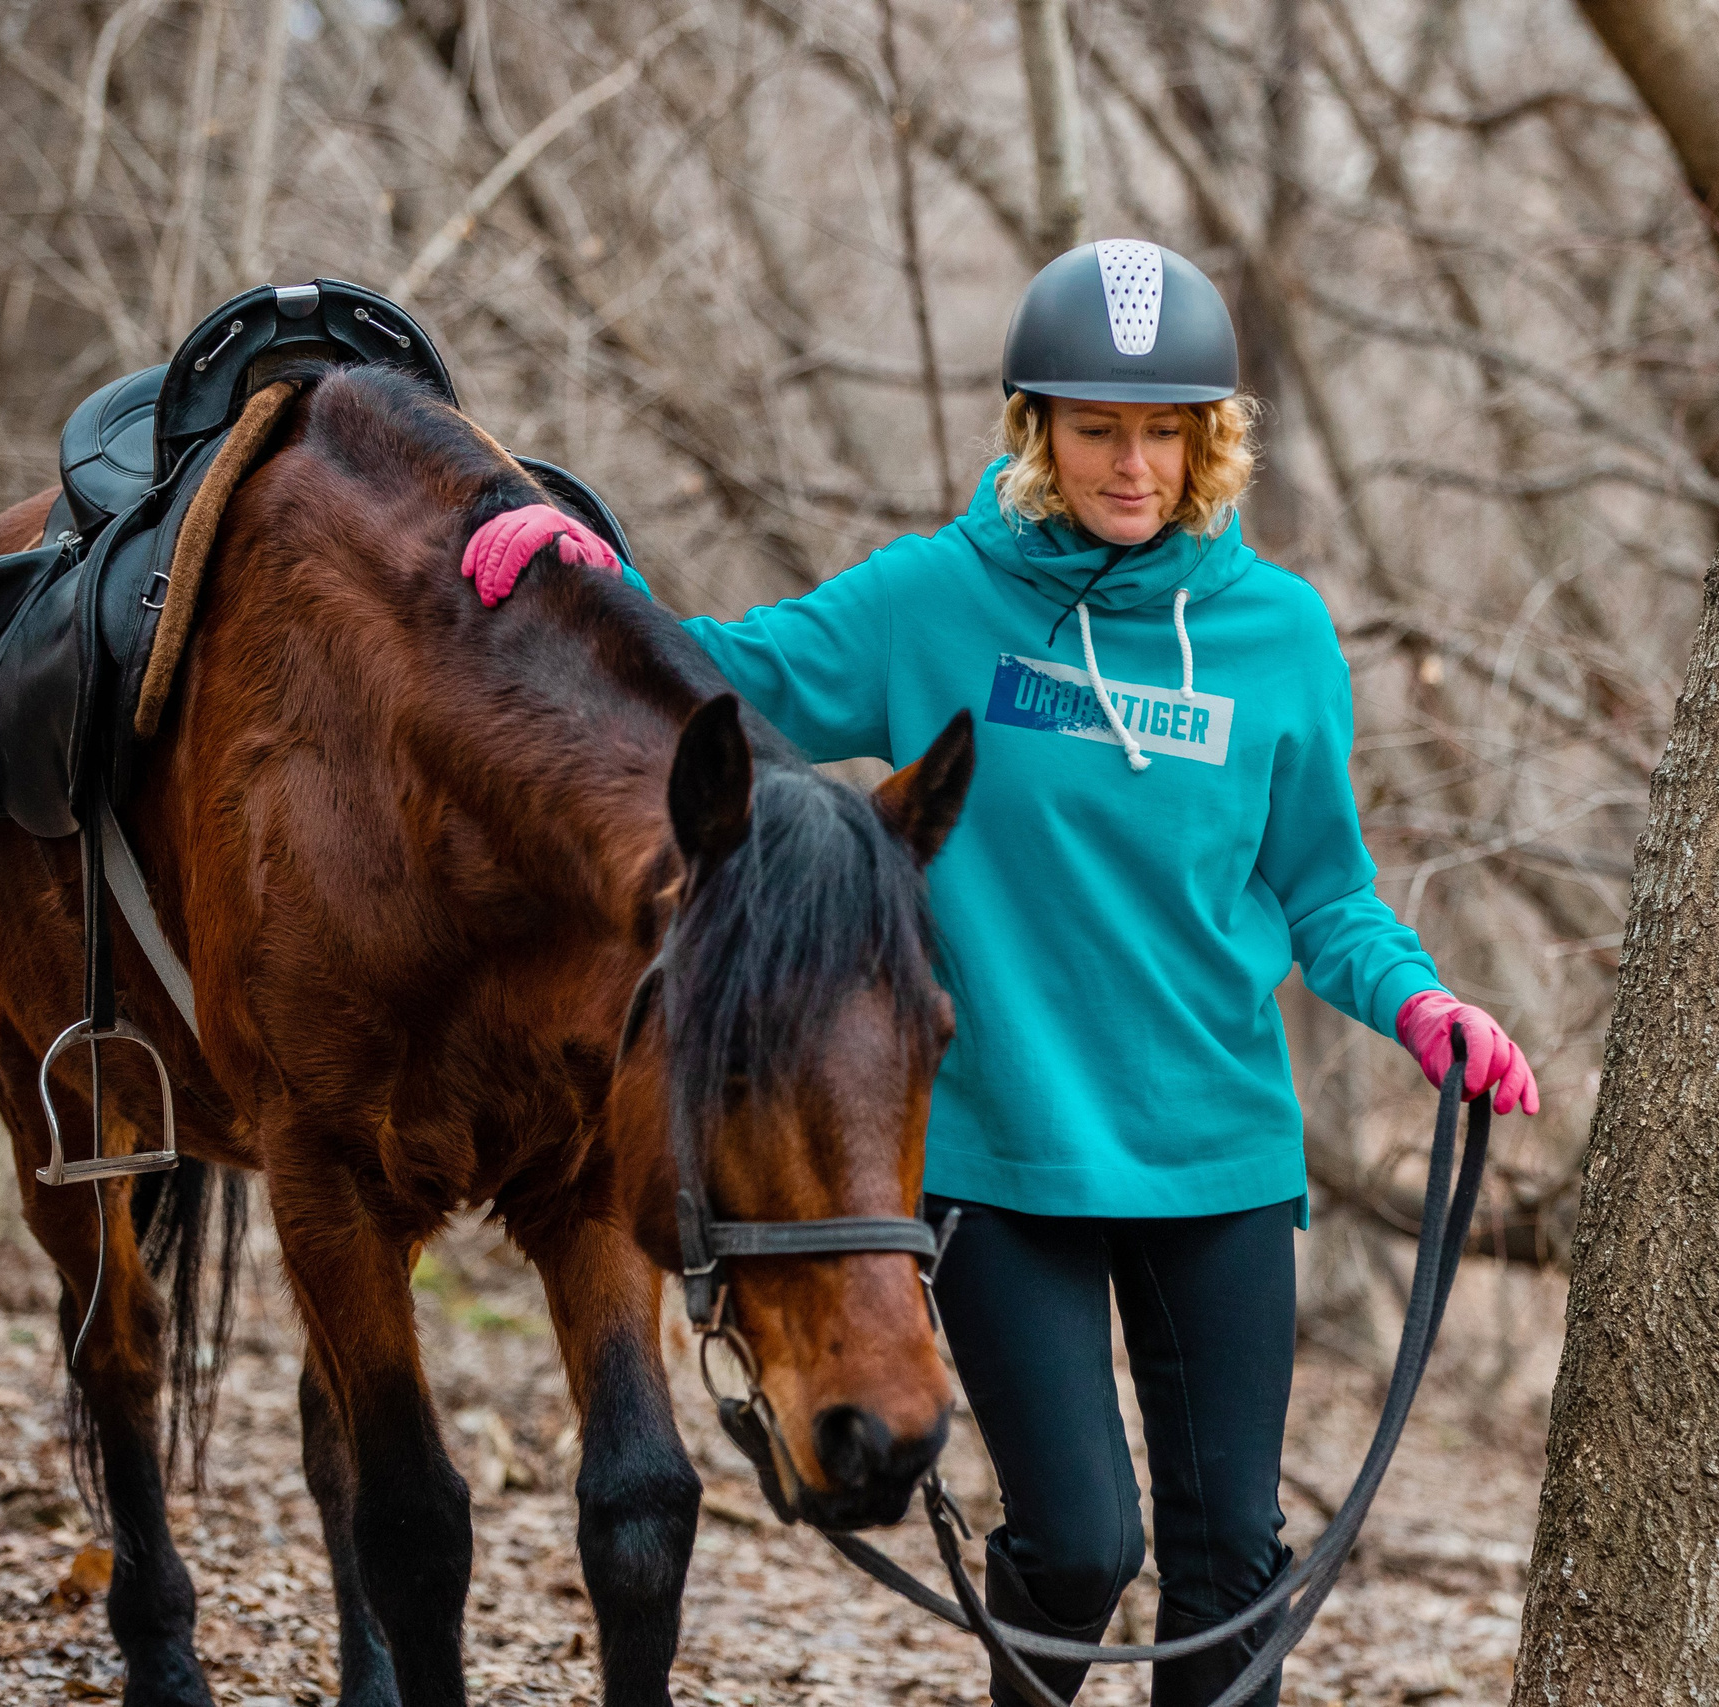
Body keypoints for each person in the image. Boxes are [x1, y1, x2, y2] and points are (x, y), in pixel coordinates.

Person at [469, 239, 1539, 1706]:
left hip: (1217, 1155)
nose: (1134, 464)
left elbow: (1325, 887)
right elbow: (713, 670)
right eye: (1100, 427)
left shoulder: (1279, 636)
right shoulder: (935, 600)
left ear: (1211, 437)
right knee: (1084, 1545)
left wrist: (1424, 1003)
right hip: (996, 1160)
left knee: (1233, 1563)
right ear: (1035, 425)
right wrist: (580, 574)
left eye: (1168, 431)